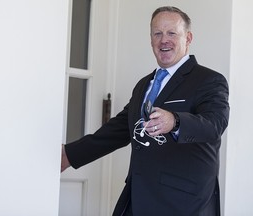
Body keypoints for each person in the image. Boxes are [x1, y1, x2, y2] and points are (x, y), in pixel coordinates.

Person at [61, 6, 229, 216]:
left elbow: (214, 125)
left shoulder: (209, 80)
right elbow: (119, 130)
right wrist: (69, 155)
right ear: (151, 40)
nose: (163, 40)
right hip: (138, 199)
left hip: (184, 205)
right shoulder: (144, 85)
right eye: (157, 33)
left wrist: (175, 121)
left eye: (171, 33)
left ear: (188, 38)